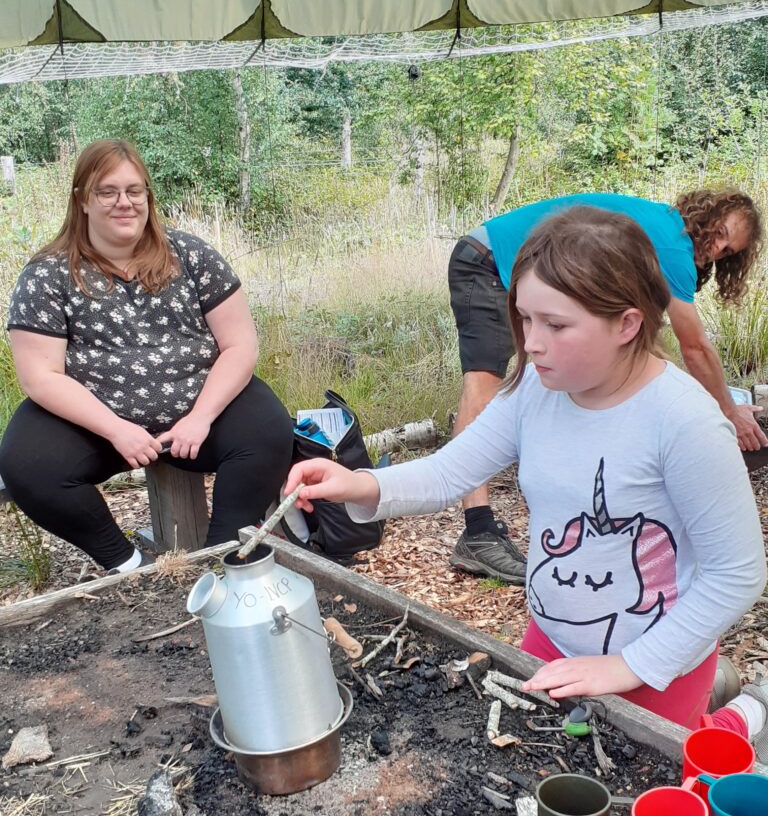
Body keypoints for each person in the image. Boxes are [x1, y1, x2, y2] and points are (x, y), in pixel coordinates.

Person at [284, 206, 768, 756]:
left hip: (656, 659)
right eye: (526, 319)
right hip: (550, 636)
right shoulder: (537, 390)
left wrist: (631, 666)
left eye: (556, 326)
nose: (531, 344)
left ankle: (741, 710)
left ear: (628, 324)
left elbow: (738, 573)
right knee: (549, 768)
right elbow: (449, 471)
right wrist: (356, 484)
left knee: (656, 783)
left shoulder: (684, 421)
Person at [0, 139, 294, 573]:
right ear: (82, 199)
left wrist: (202, 416)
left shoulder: (192, 255)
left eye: (135, 191)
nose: (125, 203)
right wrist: (116, 428)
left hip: (197, 408)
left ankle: (221, 556)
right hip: (97, 418)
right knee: (27, 463)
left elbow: (239, 345)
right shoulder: (47, 273)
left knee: (268, 430)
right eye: (108, 191)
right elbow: (41, 377)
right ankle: (125, 563)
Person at [448, 189, 764, 584]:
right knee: (483, 386)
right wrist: (729, 412)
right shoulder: (673, 245)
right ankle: (478, 532)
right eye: (718, 234)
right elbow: (695, 346)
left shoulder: (658, 235)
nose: (716, 250)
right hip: (490, 259)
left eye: (727, 250)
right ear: (705, 215)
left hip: (521, 265)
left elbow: (642, 349)